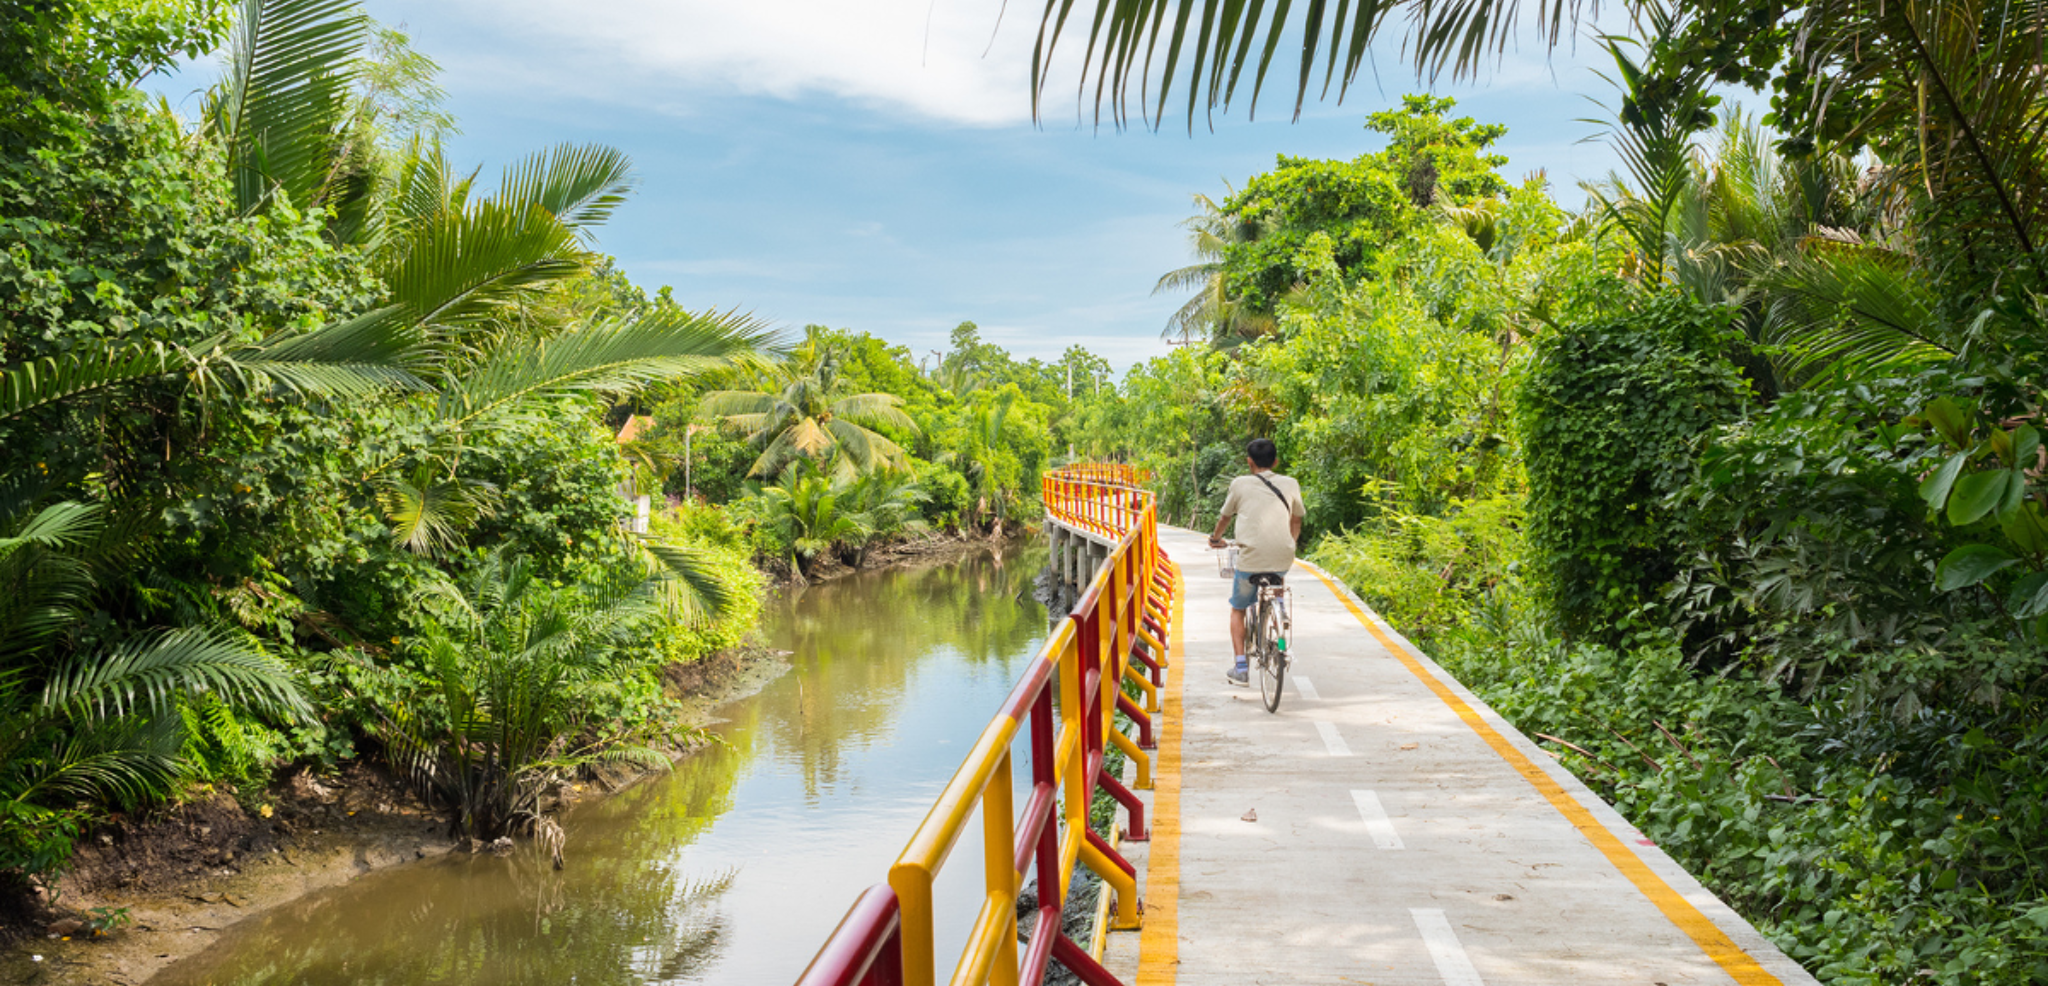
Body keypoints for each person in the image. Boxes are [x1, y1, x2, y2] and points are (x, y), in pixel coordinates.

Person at [1206, 438, 1305, 685]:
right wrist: (1291, 543)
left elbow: (1225, 518)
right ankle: (1279, 606)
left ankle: (1240, 668)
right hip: (1283, 555)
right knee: (1277, 573)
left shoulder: (1240, 484)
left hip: (1249, 559)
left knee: (1238, 608)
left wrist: (1215, 538)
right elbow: (1296, 520)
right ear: (1276, 461)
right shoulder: (1291, 483)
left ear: (1249, 462)